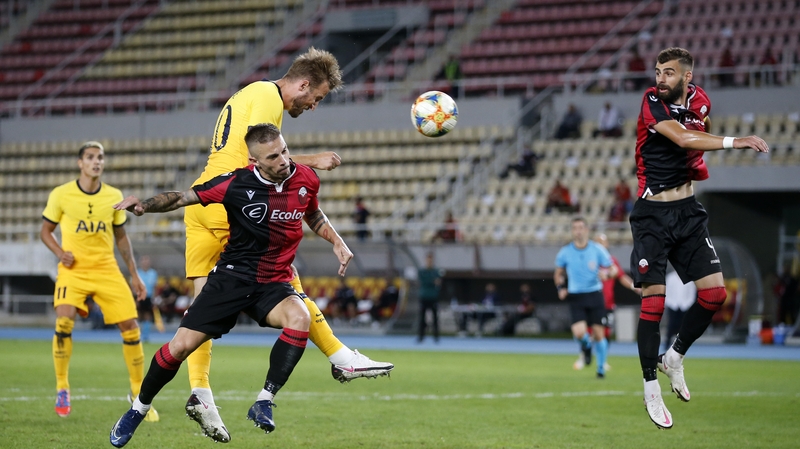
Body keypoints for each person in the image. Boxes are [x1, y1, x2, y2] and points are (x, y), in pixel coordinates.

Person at [180, 47, 393, 441]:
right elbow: (258, 162)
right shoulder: (266, 98)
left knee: (199, 313)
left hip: (203, 205)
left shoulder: (252, 94)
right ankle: (341, 357)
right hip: (234, 207)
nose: (314, 105)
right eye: (318, 97)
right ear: (304, 83)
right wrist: (313, 160)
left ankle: (201, 394)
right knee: (284, 280)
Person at [108, 123, 354, 447]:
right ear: (255, 161)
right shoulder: (236, 184)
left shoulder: (305, 178)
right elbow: (183, 197)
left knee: (301, 318)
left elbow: (312, 213)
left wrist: (336, 241)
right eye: (273, 156)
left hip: (273, 282)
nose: (283, 160)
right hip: (232, 278)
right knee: (180, 347)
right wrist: (145, 205)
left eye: (285, 151)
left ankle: (264, 400)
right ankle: (138, 408)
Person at [630, 47, 768, 429]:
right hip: (652, 217)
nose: (660, 78)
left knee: (714, 295)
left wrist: (700, 157)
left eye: (669, 73)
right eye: (658, 71)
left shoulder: (702, 101)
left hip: (688, 212)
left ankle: (674, 356)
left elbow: (695, 139)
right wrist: (735, 141)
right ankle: (649, 389)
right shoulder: (650, 102)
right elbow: (685, 139)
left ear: (687, 77)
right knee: (653, 305)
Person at [40, 141, 158, 422]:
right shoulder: (61, 194)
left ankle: (138, 395)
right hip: (74, 270)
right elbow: (45, 231)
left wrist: (134, 274)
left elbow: (121, 237)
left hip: (106, 270)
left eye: (100, 157)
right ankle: (62, 388)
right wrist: (60, 253)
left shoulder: (114, 196)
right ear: (80, 163)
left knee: (131, 327)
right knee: (64, 319)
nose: (96, 162)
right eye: (90, 157)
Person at [554, 218, 614, 379]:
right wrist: (560, 288)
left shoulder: (597, 249)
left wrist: (606, 274)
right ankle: (586, 348)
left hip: (594, 294)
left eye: (581, 227)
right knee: (579, 333)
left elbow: (613, 269)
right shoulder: (565, 252)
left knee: (599, 334)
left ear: (586, 230)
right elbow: (558, 274)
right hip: (576, 295)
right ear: (572, 231)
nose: (578, 231)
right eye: (575, 228)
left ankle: (601, 369)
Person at [594, 234, 638, 352]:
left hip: (608, 302)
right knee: (591, 331)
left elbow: (621, 276)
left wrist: (634, 287)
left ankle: (602, 359)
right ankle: (586, 355)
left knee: (606, 331)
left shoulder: (612, 261)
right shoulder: (591, 260)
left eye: (603, 242)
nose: (601, 245)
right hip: (593, 301)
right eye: (598, 242)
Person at [663, 268, 696, 354]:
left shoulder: (689, 278)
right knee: (671, 325)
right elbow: (666, 292)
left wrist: (687, 304)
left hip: (684, 306)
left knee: (683, 327)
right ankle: (667, 344)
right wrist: (669, 303)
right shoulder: (670, 278)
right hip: (673, 305)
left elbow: (691, 293)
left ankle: (681, 346)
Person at [136, 255, 164, 343]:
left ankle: (145, 336)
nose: (145, 262)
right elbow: (134, 287)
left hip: (148, 297)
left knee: (147, 316)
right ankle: (136, 335)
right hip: (139, 296)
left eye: (147, 261)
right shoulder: (137, 273)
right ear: (140, 262)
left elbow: (155, 287)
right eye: (143, 260)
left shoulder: (153, 273)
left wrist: (155, 299)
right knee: (138, 316)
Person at [417, 252, 443, 343]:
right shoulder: (422, 271)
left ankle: (436, 337)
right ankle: (421, 337)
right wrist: (432, 281)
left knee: (435, 318)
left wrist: (433, 282)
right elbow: (424, 281)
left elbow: (439, 282)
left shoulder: (436, 271)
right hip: (424, 296)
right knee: (422, 318)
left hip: (433, 297)